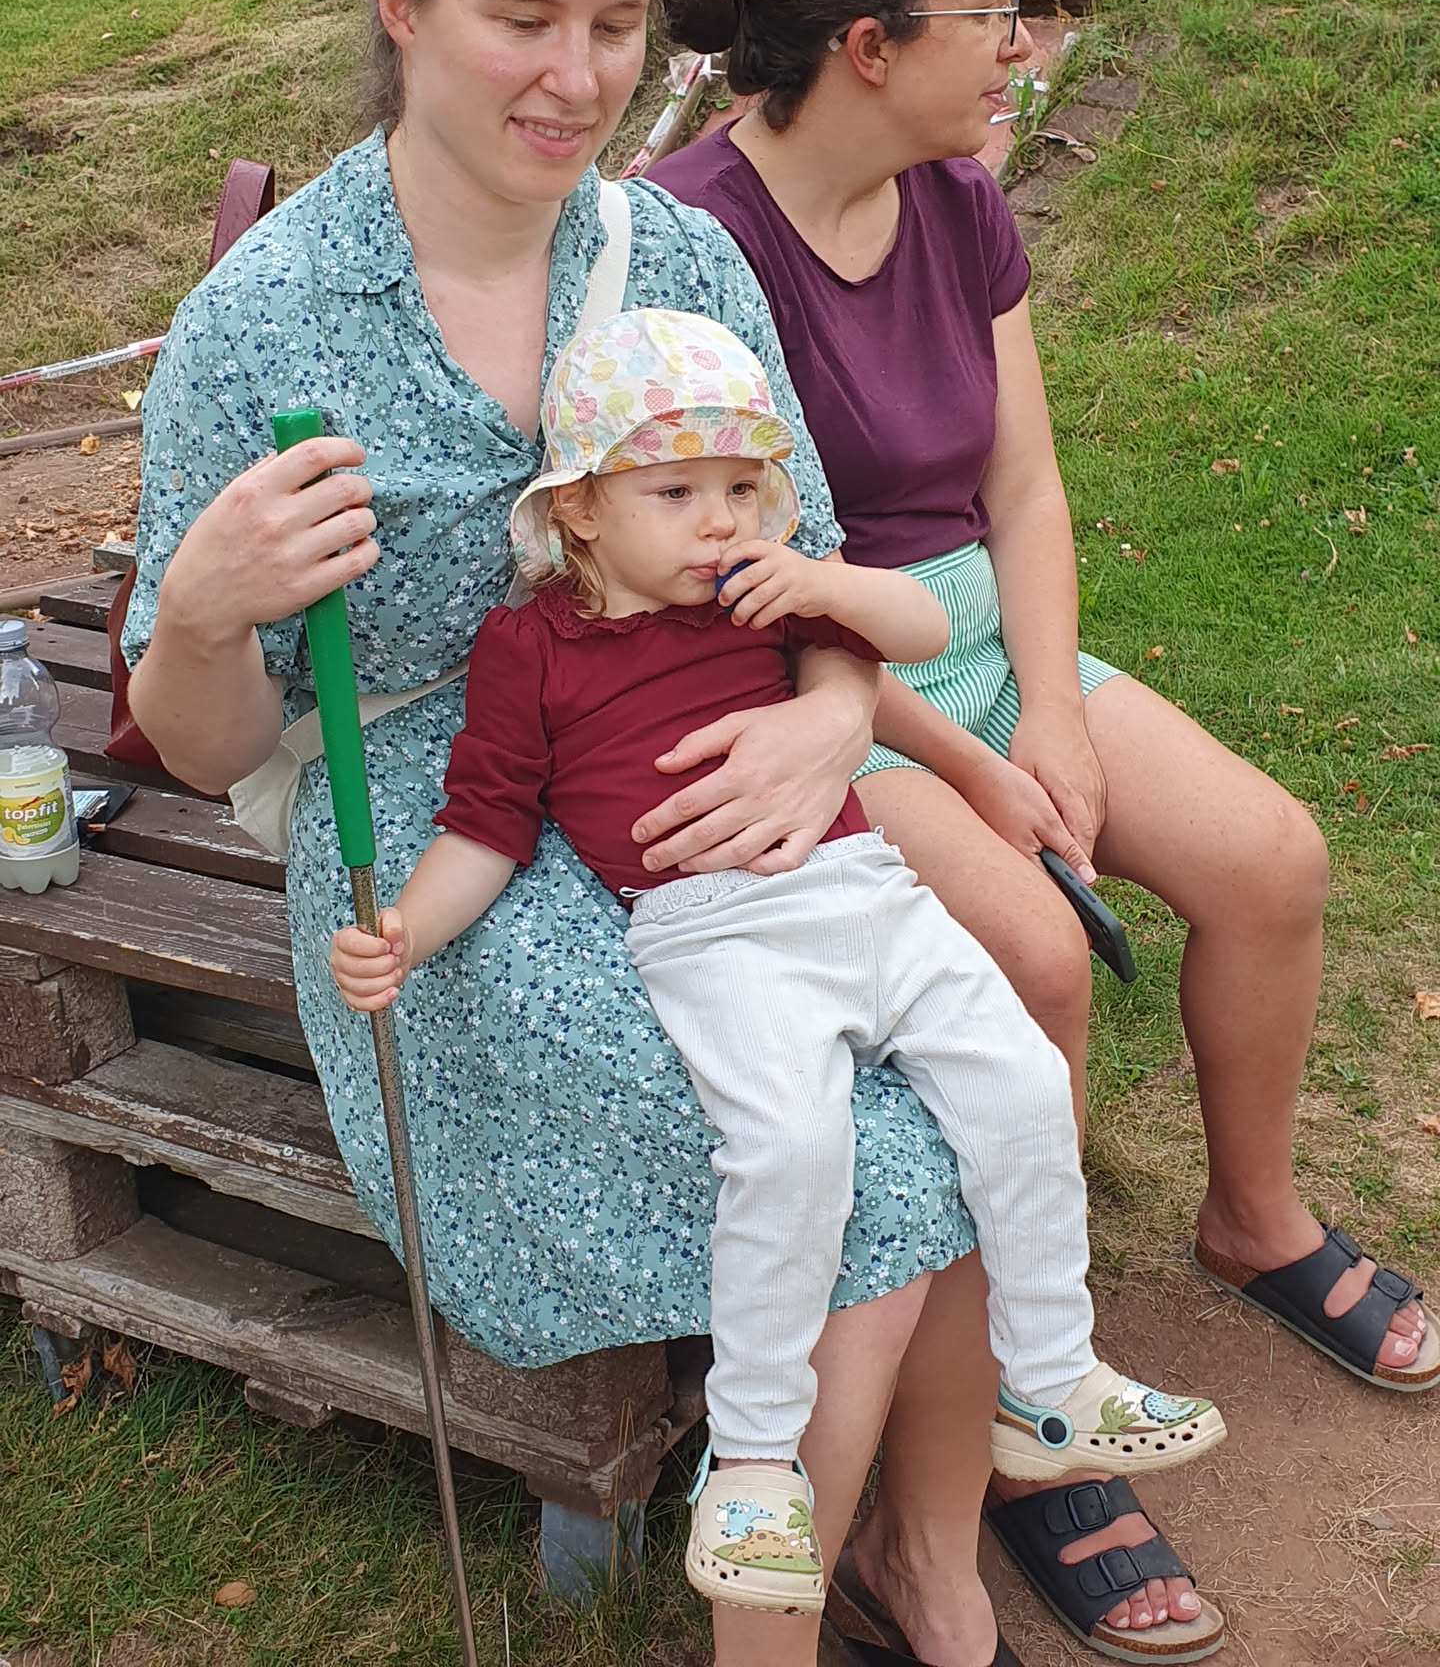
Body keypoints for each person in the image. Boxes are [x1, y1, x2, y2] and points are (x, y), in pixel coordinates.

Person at [122, 0, 1057, 1666]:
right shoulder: (267, 322)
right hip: (440, 843)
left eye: (618, 26)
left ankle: (893, 1552)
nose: (577, 79)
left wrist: (832, 715)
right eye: (524, 18)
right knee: (884, 1177)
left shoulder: (681, 259)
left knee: (971, 1077)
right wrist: (206, 611)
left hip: (705, 784)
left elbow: (801, 567)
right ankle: (798, 1607)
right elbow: (209, 748)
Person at [650, 0, 1438, 1661]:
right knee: (1035, 963)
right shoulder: (695, 244)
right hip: (825, 689)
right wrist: (972, 760)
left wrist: (1061, 713)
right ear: (872, 44)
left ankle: (1253, 1220)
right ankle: (1026, 1417)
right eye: (996, 9)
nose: (1026, 44)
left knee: (1271, 858)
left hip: (993, 642)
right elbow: (723, 584)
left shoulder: (959, 197)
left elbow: (1024, 483)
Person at [328, 303, 1224, 1616]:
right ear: (578, 510)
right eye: (677, 492)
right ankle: (754, 1465)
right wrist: (406, 928)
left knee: (1024, 1084)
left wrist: (825, 585)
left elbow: (917, 630)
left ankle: (1051, 1382)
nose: (721, 522)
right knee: (792, 1152)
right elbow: (487, 826)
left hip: (868, 895)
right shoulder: (533, 647)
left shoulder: (768, 597)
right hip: (712, 933)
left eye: (742, 488)